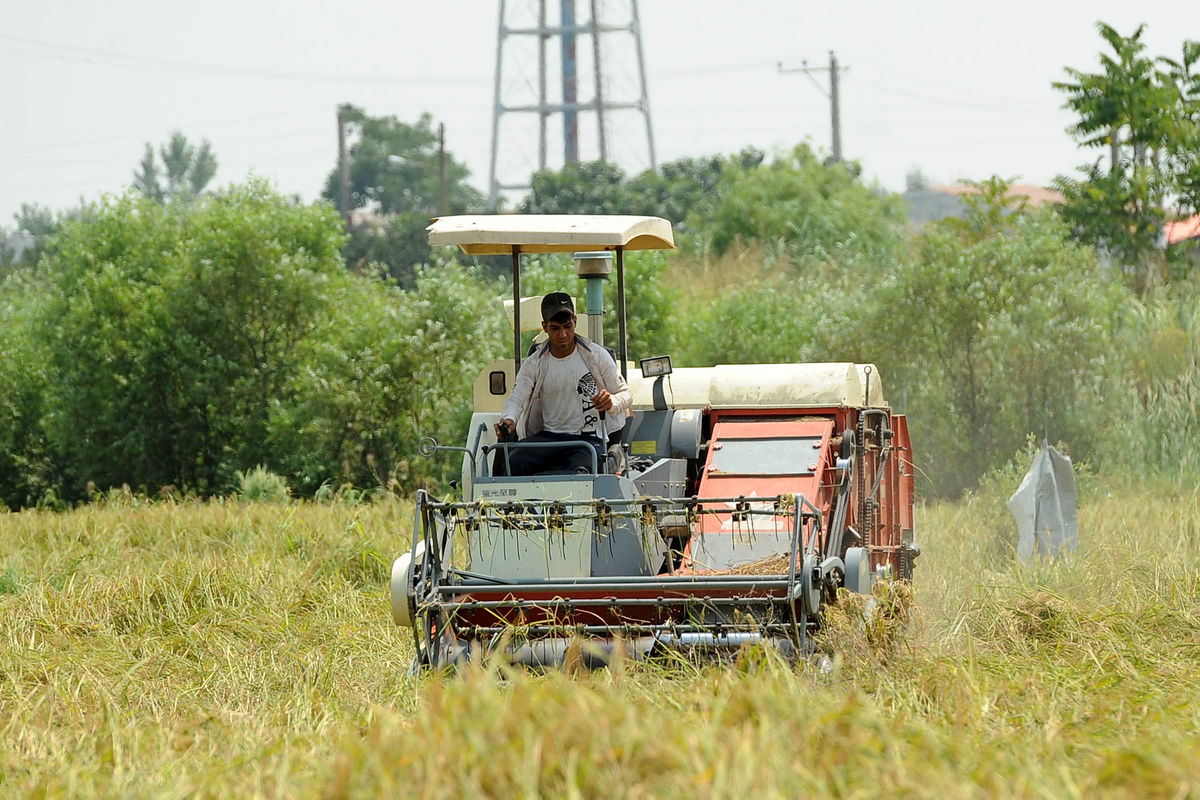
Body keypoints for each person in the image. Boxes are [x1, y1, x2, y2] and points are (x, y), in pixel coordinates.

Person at [494, 292, 631, 475]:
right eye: (555, 328)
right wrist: (508, 419)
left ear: (575, 321)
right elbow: (517, 398)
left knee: (582, 471)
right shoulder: (535, 362)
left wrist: (612, 402)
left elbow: (625, 394)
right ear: (545, 327)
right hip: (549, 438)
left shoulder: (597, 356)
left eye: (568, 326)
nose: (563, 334)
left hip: (588, 440)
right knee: (513, 463)